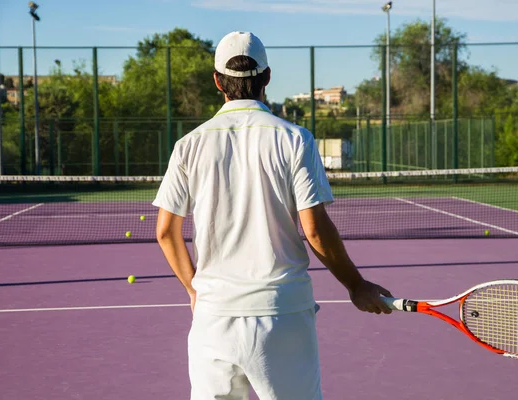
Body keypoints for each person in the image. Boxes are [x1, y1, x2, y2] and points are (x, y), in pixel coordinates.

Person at [153, 31, 392, 400]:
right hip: (283, 314)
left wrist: (194, 289)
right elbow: (313, 229)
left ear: (217, 81)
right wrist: (356, 286)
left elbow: (166, 232)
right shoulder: (295, 138)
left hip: (213, 317)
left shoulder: (189, 145)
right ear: (267, 78)